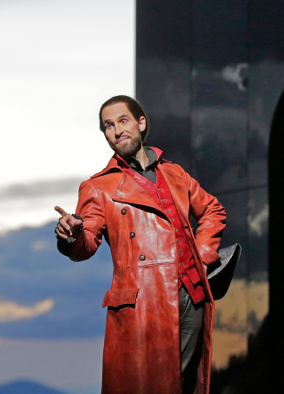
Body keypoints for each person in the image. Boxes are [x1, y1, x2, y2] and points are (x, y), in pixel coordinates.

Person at [54, 95, 226, 394]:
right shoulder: (98, 186)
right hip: (145, 301)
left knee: (185, 384)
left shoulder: (175, 173)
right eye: (108, 126)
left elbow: (213, 209)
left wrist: (203, 253)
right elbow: (87, 244)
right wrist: (72, 234)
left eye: (123, 121)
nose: (117, 130)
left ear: (141, 123)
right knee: (154, 385)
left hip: (192, 293)